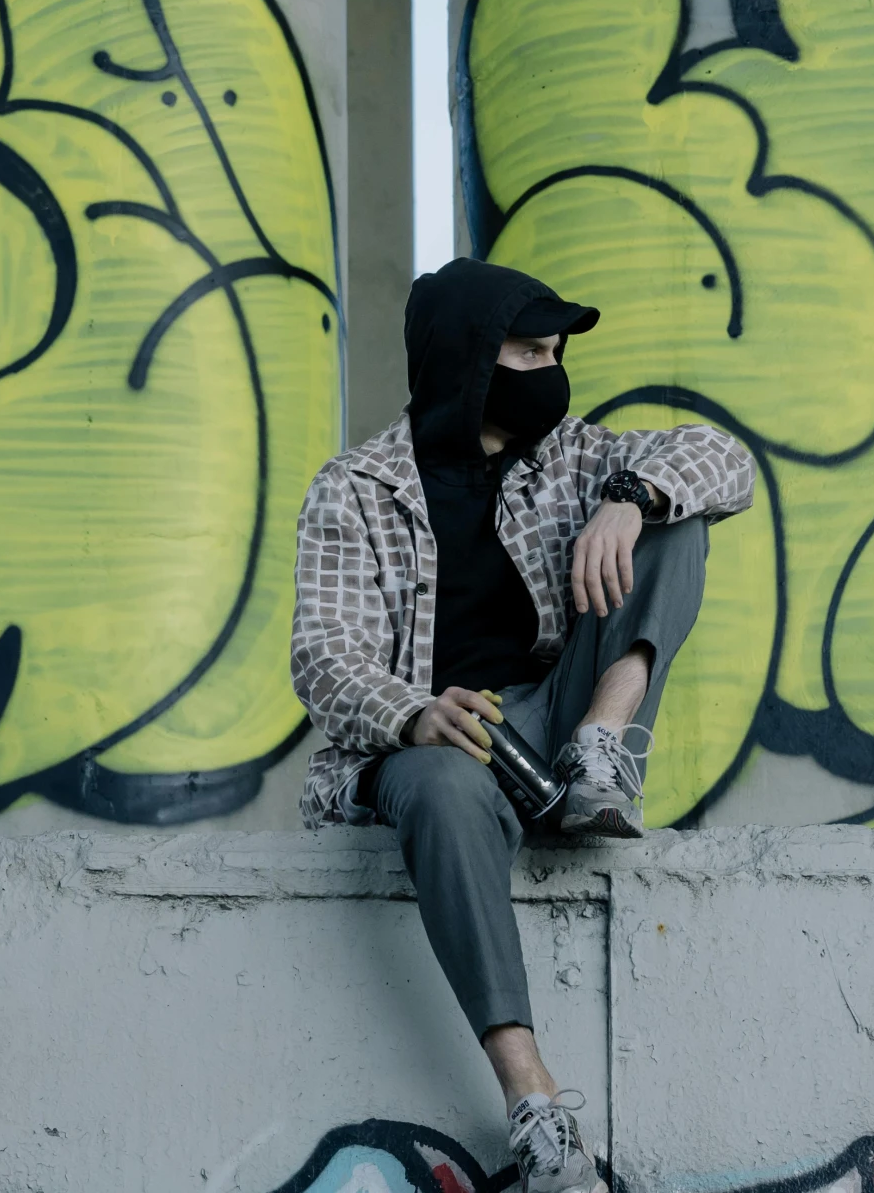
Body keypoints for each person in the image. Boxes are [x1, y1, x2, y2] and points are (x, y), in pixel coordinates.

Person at [290, 258, 756, 1193]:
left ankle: (601, 753)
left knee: (675, 514)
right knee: (437, 780)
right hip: (440, 744)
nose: (550, 369)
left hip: (553, 716)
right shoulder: (357, 489)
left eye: (555, 351)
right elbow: (324, 657)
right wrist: (414, 713)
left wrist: (629, 499)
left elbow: (727, 460)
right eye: (531, 350)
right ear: (469, 362)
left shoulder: (576, 456)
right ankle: (535, 1105)